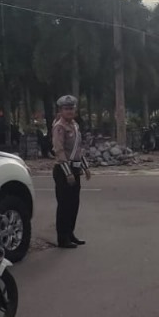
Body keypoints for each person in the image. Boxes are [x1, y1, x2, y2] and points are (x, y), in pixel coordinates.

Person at [51, 95, 88, 249]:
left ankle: (70, 233)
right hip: (63, 170)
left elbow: (78, 149)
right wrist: (68, 173)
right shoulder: (59, 127)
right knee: (64, 205)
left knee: (74, 204)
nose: (69, 111)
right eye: (66, 109)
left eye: (71, 108)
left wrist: (85, 167)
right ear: (61, 110)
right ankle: (62, 238)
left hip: (75, 168)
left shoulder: (75, 125)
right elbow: (59, 151)